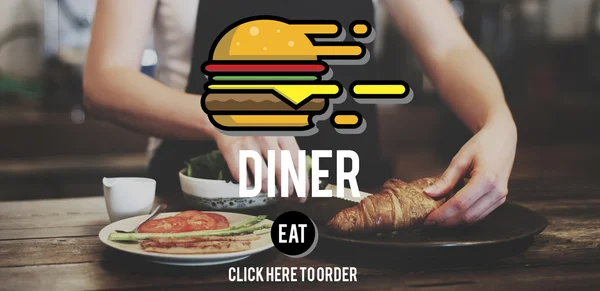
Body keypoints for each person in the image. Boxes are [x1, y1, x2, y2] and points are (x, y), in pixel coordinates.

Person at [84, 0, 517, 227]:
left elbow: (448, 46)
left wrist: (497, 118)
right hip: (196, 213)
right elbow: (104, 79)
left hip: (351, 217)